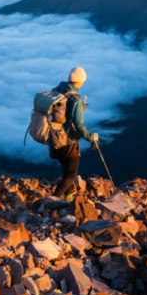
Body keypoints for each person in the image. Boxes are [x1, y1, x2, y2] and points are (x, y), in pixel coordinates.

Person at [49, 66, 98, 200]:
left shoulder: (56, 91)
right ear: (80, 81)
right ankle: (52, 200)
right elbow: (79, 124)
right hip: (68, 141)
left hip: (53, 139)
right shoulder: (75, 98)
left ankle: (68, 197)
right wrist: (91, 137)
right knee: (71, 174)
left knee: (66, 171)